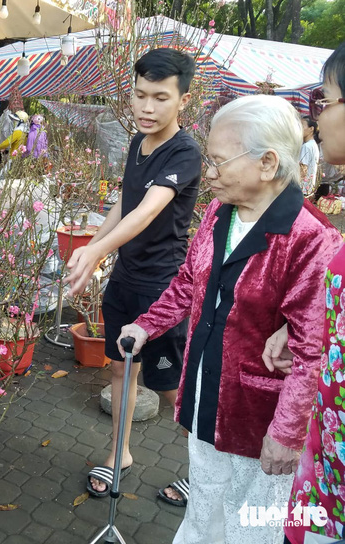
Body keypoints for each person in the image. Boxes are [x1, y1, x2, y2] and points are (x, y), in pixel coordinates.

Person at [118, 94, 341, 544]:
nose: (210, 173)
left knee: (252, 526)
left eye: (219, 162)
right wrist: (147, 324)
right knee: (203, 510)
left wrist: (286, 431)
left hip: (257, 419)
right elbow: (188, 282)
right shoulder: (221, 213)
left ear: (267, 163)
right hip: (204, 396)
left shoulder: (311, 239)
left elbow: (310, 347)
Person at [64, 47, 201, 502]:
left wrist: (98, 249)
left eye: (160, 97)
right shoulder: (139, 144)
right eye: (140, 95)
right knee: (122, 373)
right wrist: (95, 252)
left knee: (170, 390)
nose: (146, 107)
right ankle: (119, 454)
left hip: (163, 289)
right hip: (126, 279)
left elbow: (147, 211)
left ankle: (204, 473)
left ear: (183, 98)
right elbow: (124, 203)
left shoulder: (184, 153)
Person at [262, 42, 345, 544]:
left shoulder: (310, 226)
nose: (319, 115)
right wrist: (302, 326)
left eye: (327, 100)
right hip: (329, 456)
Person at [299, 115, 320, 194]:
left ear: (311, 129)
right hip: (309, 188)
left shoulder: (306, 146)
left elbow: (302, 170)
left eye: (302, 125)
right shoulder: (313, 145)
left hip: (302, 188)